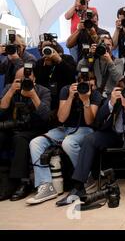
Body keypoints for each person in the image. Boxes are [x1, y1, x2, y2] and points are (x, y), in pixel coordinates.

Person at [56, 74, 125, 205]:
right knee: (90, 139)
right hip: (113, 134)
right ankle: (78, 187)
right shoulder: (115, 96)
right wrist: (111, 103)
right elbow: (97, 122)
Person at [26, 70, 102, 204]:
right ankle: (46, 185)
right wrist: (71, 97)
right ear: (76, 83)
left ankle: (87, 178)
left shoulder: (95, 94)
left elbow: (90, 121)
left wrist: (86, 101)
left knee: (69, 143)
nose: (86, 88)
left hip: (86, 129)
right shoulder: (66, 91)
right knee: (35, 142)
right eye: (82, 85)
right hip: (64, 128)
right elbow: (61, 118)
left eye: (90, 85)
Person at [0, 67, 51, 201]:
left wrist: (33, 95)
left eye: (27, 79)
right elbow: (0, 111)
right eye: (20, 79)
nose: (24, 82)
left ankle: (22, 182)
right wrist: (11, 91)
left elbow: (46, 117)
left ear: (34, 79)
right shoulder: (9, 88)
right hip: (11, 127)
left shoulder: (43, 91)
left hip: (34, 129)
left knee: (19, 139)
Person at [34, 37, 77, 110]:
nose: (48, 49)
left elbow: (72, 76)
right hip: (46, 97)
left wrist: (59, 60)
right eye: (44, 47)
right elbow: (39, 82)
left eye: (50, 47)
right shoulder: (40, 63)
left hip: (64, 95)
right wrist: (46, 66)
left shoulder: (67, 58)